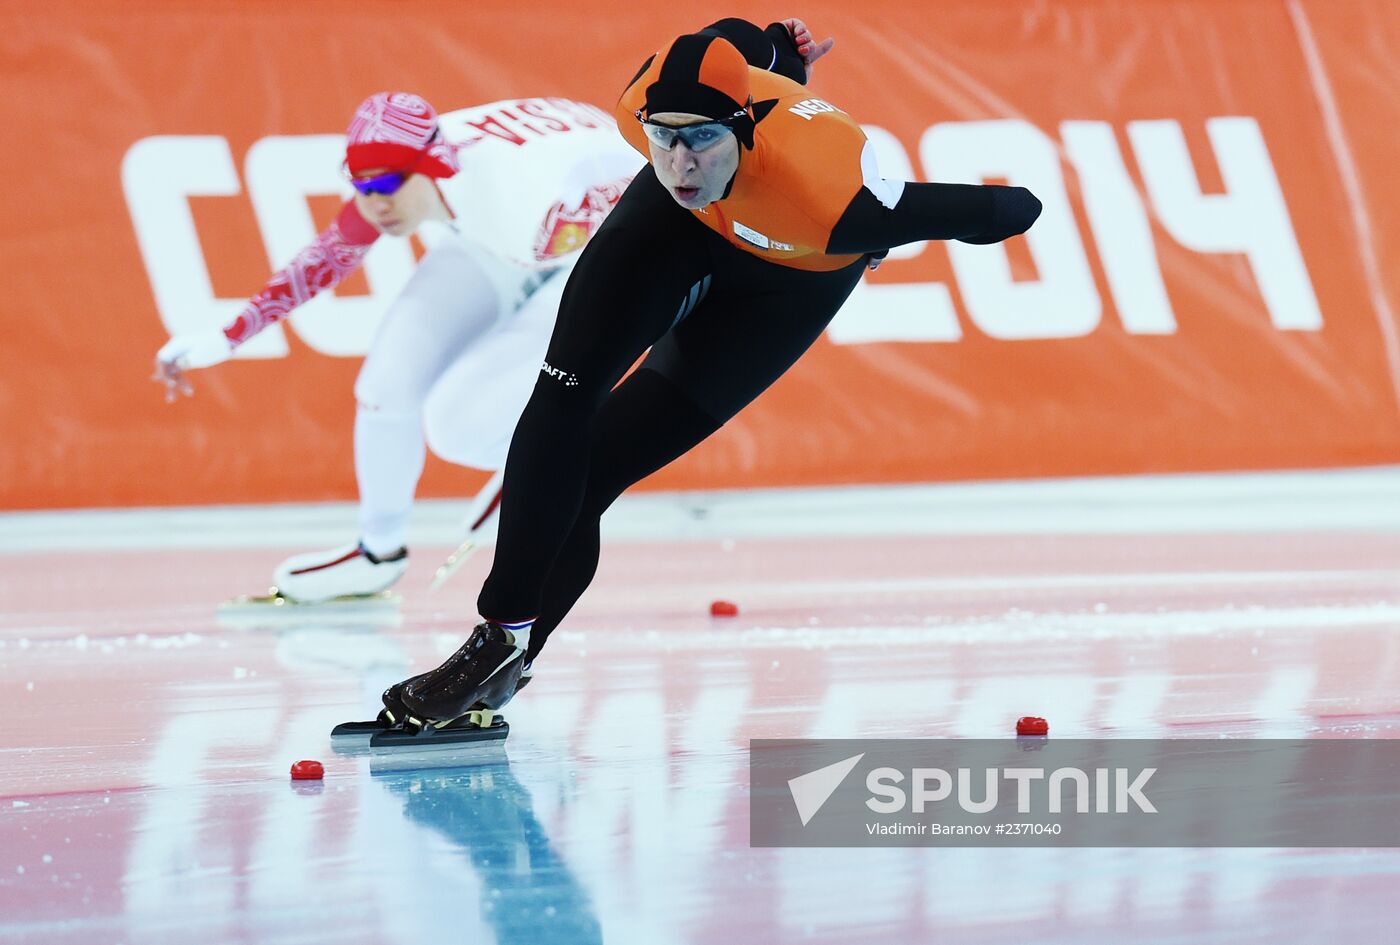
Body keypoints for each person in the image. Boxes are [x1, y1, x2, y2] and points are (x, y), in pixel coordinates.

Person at [387, 17, 1042, 729]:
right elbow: (736, 42)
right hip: (672, 232)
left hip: (787, 287)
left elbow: (1012, 208)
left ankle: (514, 659)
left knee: (600, 469)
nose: (681, 160)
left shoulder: (831, 200)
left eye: (702, 138)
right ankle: (498, 643)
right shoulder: (645, 122)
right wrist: (784, 50)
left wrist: (882, 224)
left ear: (747, 128)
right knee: (562, 400)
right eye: (664, 135)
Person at [154, 91, 640, 603]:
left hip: (586, 246)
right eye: (360, 185)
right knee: (388, 383)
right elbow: (327, 257)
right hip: (499, 235)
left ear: (431, 165)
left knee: (458, 427)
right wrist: (225, 337)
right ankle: (376, 552)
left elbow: (648, 220)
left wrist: (544, 456)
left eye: (386, 185)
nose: (374, 203)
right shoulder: (409, 172)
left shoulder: (527, 197)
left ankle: (559, 458)